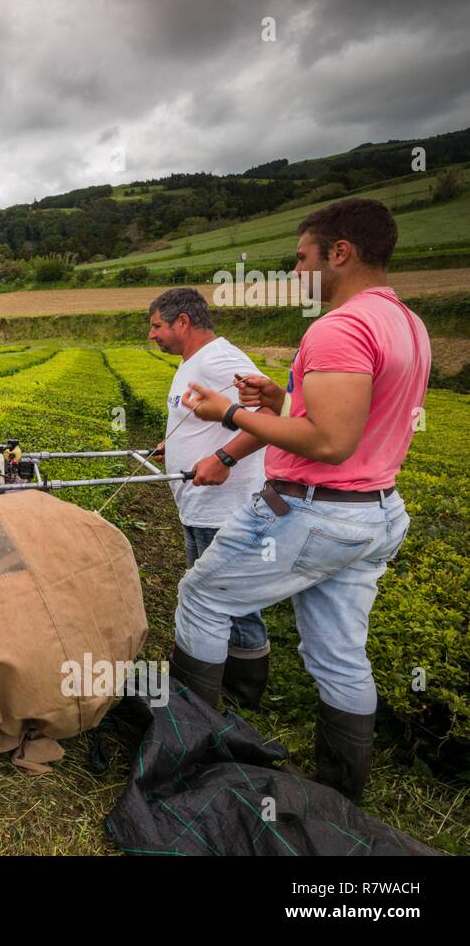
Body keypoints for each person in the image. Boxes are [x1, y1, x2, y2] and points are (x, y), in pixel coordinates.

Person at [174, 198, 430, 802]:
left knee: (203, 597)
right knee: (340, 655)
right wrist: (278, 402)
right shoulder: (407, 324)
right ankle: (341, 797)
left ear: (339, 253)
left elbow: (332, 442)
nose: (293, 274)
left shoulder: (339, 326)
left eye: (301, 258)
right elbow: (354, 424)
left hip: (313, 509)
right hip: (375, 513)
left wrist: (229, 412)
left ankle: (183, 754)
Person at [146, 288, 269, 708]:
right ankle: (215, 686)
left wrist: (222, 459)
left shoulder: (222, 359)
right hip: (198, 505)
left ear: (183, 322)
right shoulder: (193, 363)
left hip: (225, 506)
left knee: (229, 597)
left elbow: (268, 418)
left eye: (157, 325)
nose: (152, 335)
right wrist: (176, 445)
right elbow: (209, 419)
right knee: (208, 593)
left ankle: (239, 691)